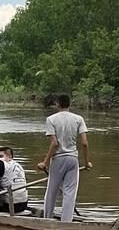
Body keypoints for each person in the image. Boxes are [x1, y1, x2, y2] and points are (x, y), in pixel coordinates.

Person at [37, 93, 92, 222]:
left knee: (51, 191)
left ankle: (47, 219)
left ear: (57, 104)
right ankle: (66, 222)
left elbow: (55, 144)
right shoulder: (79, 119)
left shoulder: (51, 119)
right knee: (70, 193)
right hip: (73, 159)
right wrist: (87, 162)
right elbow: (84, 143)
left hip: (58, 159)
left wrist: (45, 162)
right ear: (70, 104)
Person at [0, 132, 28, 213]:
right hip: (23, 204)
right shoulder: (19, 166)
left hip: (10, 205)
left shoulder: (4, 165)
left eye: (1, 156)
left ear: (10, 157)